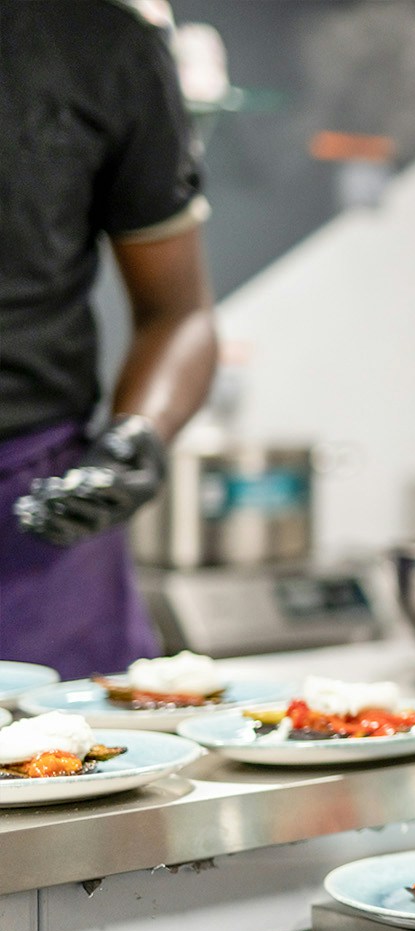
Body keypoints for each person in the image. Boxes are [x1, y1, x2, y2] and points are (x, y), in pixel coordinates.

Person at [1, 0, 218, 683]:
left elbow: (178, 315)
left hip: (37, 519)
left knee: (80, 772)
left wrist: (137, 439)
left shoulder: (100, 38)